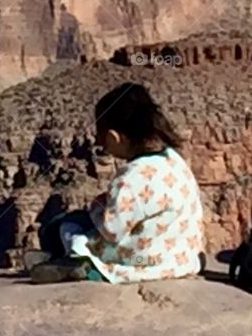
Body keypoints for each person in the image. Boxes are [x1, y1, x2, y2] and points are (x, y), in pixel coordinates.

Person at [28, 82, 204, 284]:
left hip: (141, 262)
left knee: (64, 224)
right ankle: (56, 261)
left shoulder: (132, 176)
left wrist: (96, 207)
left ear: (114, 137)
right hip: (179, 257)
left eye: (102, 136)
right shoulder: (174, 159)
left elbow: (111, 230)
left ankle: (79, 263)